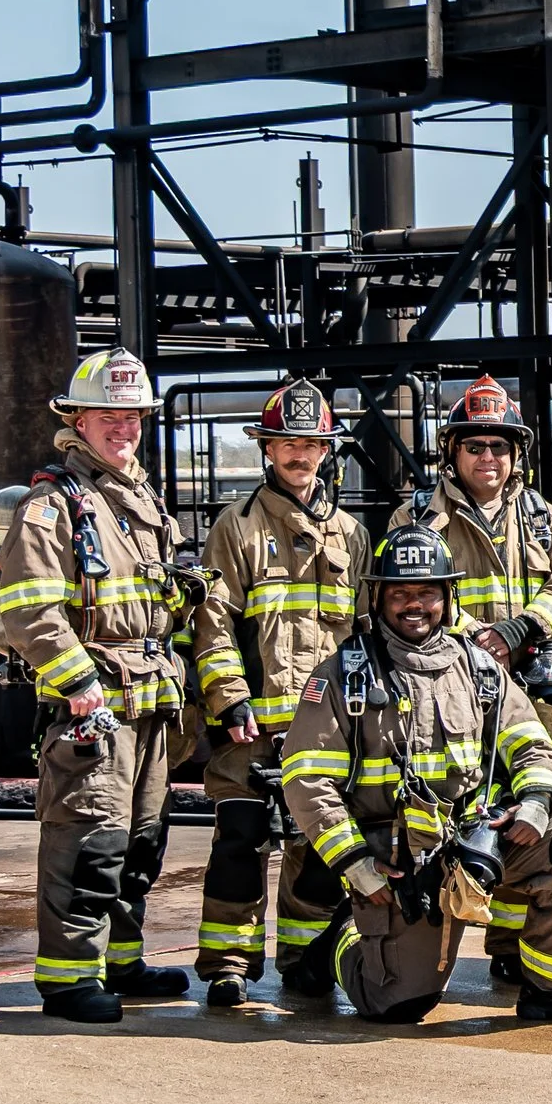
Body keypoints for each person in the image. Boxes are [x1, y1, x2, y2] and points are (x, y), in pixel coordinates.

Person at [279, 526, 552, 1025]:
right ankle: (343, 940)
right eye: (399, 592)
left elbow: (531, 744)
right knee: (398, 1005)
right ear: (377, 597)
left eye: (427, 592)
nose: (413, 604)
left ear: (447, 596)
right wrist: (355, 864)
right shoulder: (342, 675)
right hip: (395, 857)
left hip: (476, 838)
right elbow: (307, 780)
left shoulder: (480, 668)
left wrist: (534, 803)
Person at [0, 350, 202, 1022]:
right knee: (88, 839)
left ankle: (122, 963)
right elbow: (28, 607)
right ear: (76, 418)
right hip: (95, 705)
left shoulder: (138, 498)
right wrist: (78, 681)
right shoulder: (50, 503)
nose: (123, 426)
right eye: (109, 414)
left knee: (141, 842)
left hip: (148, 705)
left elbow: (146, 601)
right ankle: (67, 980)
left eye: (133, 415)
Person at [394, 374, 552, 983]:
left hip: (532, 687)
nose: (488, 458)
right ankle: (427, 936)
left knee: (524, 810)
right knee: (457, 805)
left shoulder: (543, 519)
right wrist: (478, 637)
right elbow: (411, 595)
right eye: (475, 446)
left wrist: (523, 630)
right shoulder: (416, 516)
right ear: (453, 451)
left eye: (499, 446)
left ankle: (509, 948)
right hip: (449, 683)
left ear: (515, 453)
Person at [187, 378, 371, 1007]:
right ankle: (229, 963)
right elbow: (212, 621)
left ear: (326, 451)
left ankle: (306, 955)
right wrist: (227, 697)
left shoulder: (351, 532)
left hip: (327, 728)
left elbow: (366, 633)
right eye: (287, 442)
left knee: (318, 844)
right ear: (267, 448)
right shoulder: (235, 528)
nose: (299, 453)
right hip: (252, 726)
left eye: (311, 443)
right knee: (240, 840)